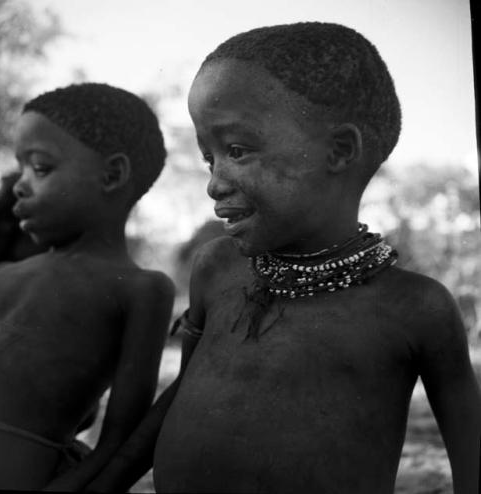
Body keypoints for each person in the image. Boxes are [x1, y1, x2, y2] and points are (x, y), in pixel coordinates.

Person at [87, 23, 481, 493]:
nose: (214, 182)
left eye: (236, 150)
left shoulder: (415, 310)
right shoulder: (216, 269)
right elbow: (178, 396)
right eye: (209, 159)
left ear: (339, 151)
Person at [0, 83, 175, 491]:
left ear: (112, 175)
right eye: (21, 167)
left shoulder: (141, 288)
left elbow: (122, 440)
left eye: (41, 168)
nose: (18, 184)